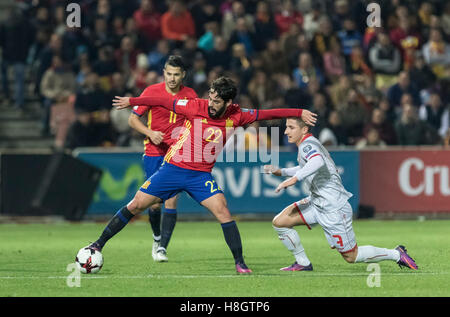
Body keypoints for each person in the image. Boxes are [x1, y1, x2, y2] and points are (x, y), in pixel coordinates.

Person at [85, 76, 317, 274]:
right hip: (173, 169)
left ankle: (240, 263)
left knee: (223, 211)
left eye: (217, 101)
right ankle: (97, 244)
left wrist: (299, 112)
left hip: (200, 176)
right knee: (136, 205)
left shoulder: (238, 115)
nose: (211, 104)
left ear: (229, 102)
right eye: (211, 97)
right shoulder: (194, 106)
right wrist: (133, 101)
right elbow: (161, 100)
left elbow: (268, 114)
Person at [262, 117, 418, 271]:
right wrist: (282, 172)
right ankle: (303, 263)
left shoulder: (307, 145)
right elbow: (307, 165)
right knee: (280, 222)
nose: (286, 131)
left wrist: (295, 179)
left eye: (291, 127)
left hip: (333, 207)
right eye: (287, 127)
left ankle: (396, 254)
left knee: (352, 256)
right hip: (317, 203)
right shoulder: (309, 143)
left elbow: (317, 162)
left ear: (304, 129)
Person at [128, 56, 197, 262]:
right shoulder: (151, 92)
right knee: (154, 204)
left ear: (183, 75)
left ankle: (162, 249)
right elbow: (132, 119)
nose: (172, 78)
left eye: (176, 74)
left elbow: (196, 121)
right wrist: (150, 132)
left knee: (172, 199)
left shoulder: (191, 95)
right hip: (153, 152)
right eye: (169, 74)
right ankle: (157, 238)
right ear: (164, 73)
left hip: (177, 154)